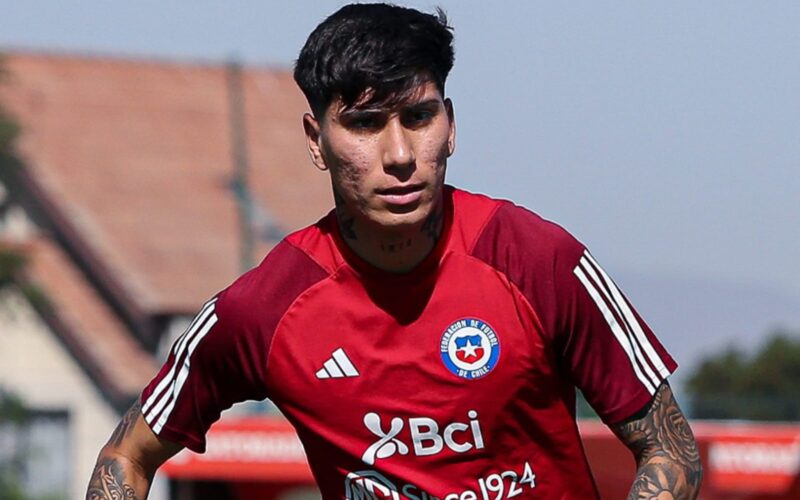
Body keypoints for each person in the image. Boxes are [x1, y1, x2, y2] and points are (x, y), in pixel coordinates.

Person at [86, 3, 702, 499]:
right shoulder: (263, 310)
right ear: (316, 140)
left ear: (451, 125)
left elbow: (670, 450)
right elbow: (126, 458)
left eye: (419, 116)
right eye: (365, 123)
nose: (401, 154)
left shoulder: (538, 260)